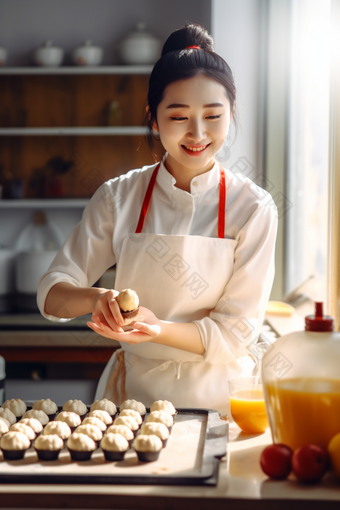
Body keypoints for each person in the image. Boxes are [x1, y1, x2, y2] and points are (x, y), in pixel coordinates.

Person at [37, 23, 277, 414]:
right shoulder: (118, 197)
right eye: (179, 117)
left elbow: (235, 334)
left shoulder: (254, 207)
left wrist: (156, 329)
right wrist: (98, 298)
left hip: (222, 403)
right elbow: (51, 293)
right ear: (153, 117)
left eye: (213, 116)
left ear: (230, 114)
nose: (197, 133)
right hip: (133, 406)